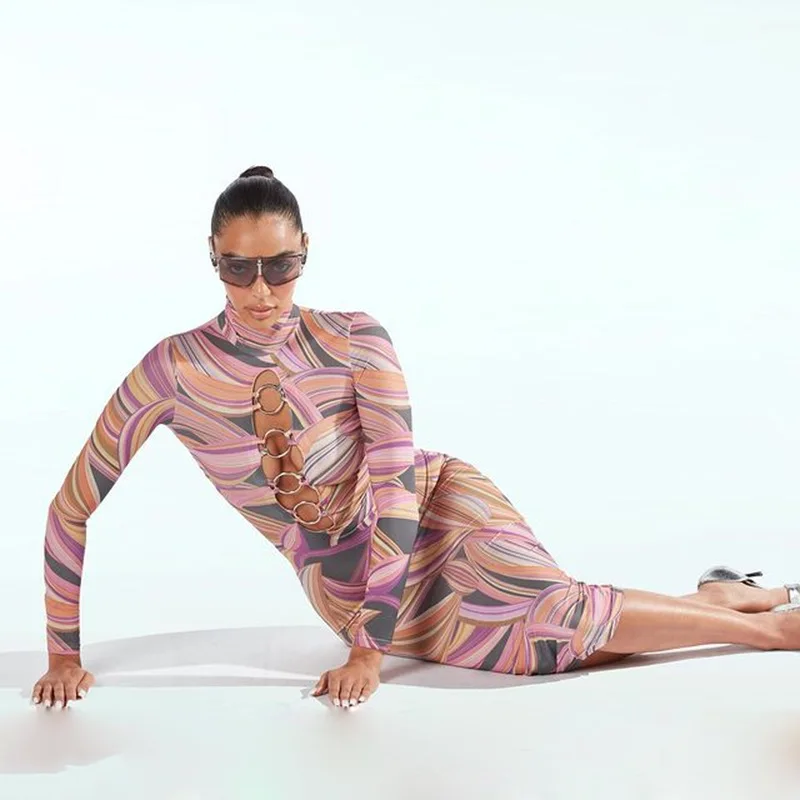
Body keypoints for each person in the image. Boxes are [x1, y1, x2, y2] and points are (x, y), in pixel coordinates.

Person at [31, 166, 800, 712]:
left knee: (555, 614)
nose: (261, 291)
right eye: (239, 268)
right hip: (341, 576)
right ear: (212, 256)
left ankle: (769, 634)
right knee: (546, 640)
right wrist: (64, 654)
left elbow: (397, 485)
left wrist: (371, 650)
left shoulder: (356, 337)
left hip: (436, 502)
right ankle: (721, 600)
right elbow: (70, 509)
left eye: (281, 265)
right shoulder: (172, 371)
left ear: (307, 252)